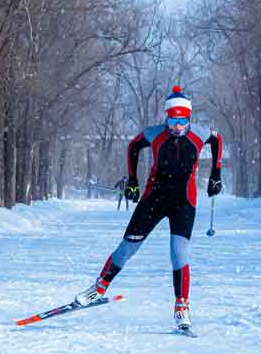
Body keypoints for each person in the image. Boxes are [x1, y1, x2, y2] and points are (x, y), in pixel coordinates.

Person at [75, 85, 223, 330]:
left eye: (182, 120)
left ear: (189, 118)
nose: (177, 126)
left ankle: (181, 307)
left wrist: (216, 174)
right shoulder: (155, 134)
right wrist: (132, 180)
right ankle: (98, 288)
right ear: (167, 117)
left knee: (179, 254)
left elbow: (217, 139)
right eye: (173, 120)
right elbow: (133, 146)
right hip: (153, 199)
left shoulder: (199, 134)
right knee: (127, 248)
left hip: (184, 202)